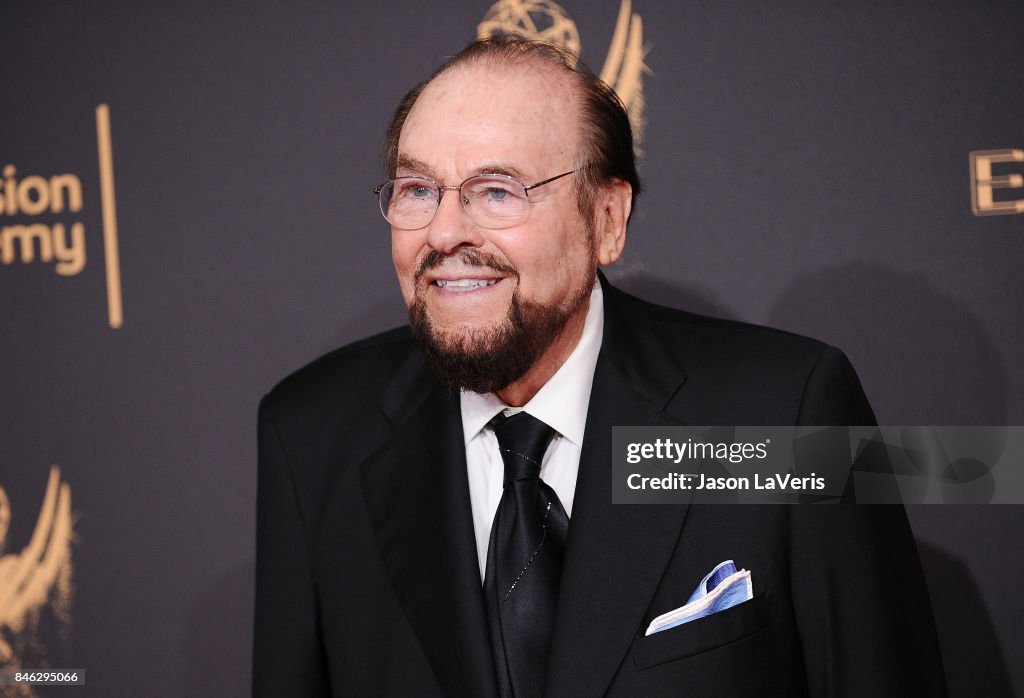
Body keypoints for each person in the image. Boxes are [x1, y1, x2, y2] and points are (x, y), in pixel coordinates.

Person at [253, 36, 946, 697]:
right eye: (416, 189)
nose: (443, 232)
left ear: (607, 220)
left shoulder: (782, 410)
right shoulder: (312, 436)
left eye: (497, 190)